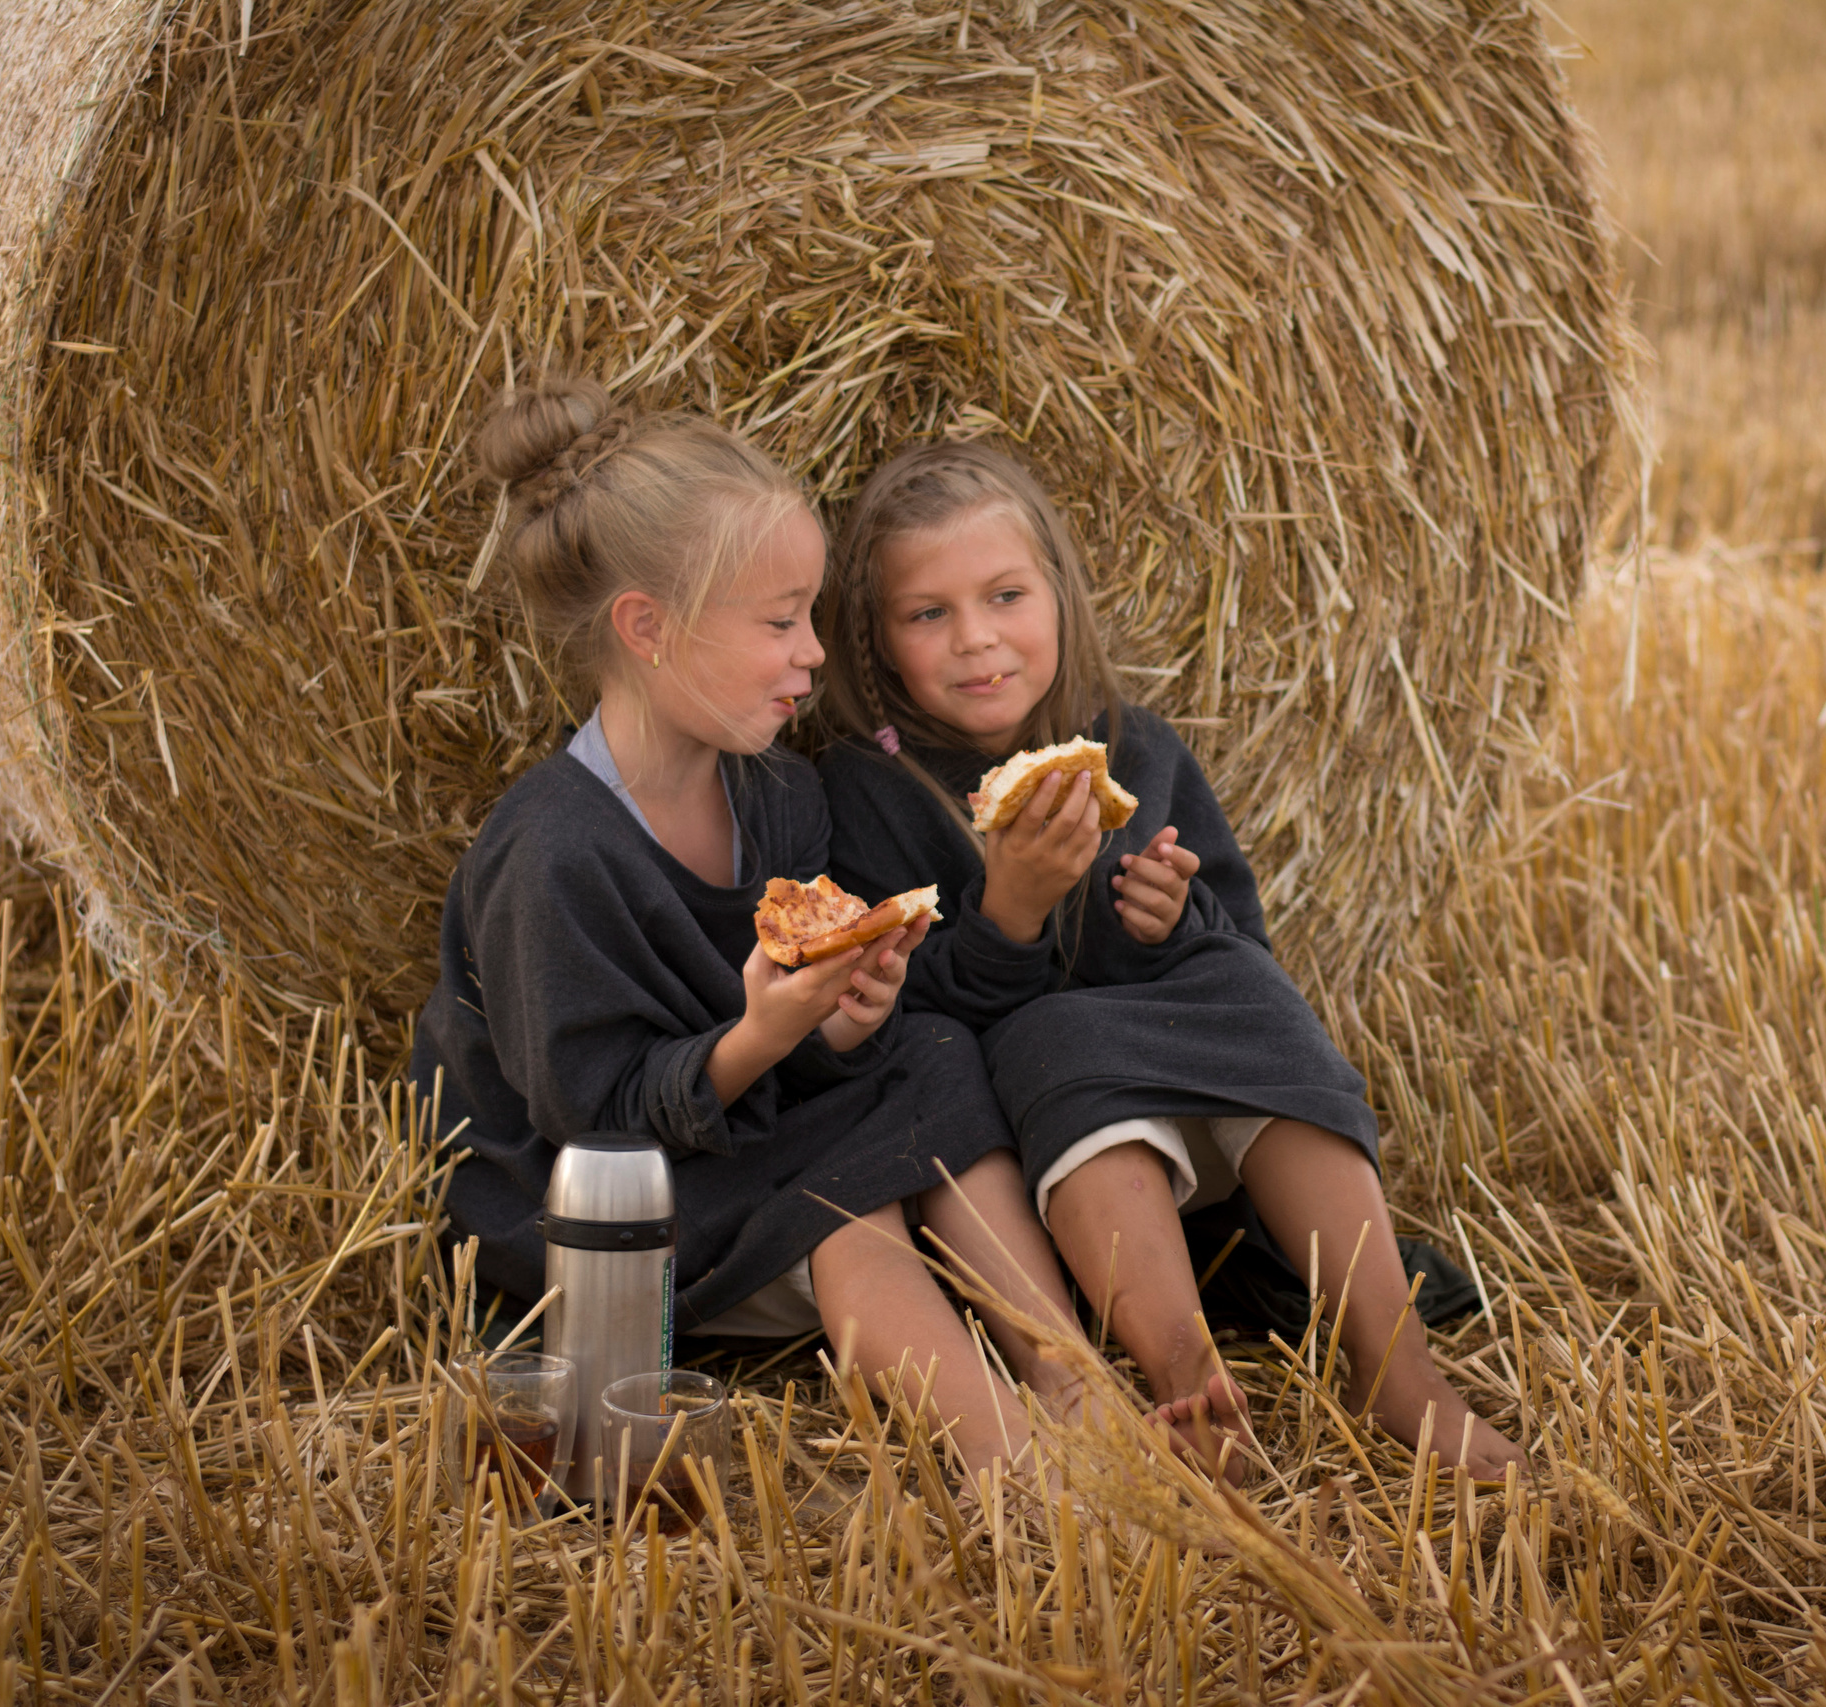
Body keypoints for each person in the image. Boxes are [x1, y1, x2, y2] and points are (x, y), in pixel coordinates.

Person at [411, 378, 1088, 1488]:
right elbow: (596, 1129)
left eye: (811, 616)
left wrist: (843, 1019)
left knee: (929, 1052)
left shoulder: (776, 799)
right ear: (648, 628)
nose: (815, 654)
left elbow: (811, 1042)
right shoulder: (553, 855)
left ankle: (1074, 1386)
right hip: (595, 1224)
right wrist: (763, 1037)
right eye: (780, 623)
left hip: (734, 1135)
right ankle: (1010, 1463)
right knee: (843, 1203)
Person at [812, 440, 1525, 1480]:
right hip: (1042, 1158)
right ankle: (1185, 1375)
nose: (977, 640)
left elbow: (1237, 942)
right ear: (874, 642)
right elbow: (901, 1039)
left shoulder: (1133, 749)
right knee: (1052, 1036)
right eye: (928, 615)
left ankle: (1394, 1359)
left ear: (1058, 594)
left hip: (1195, 1131)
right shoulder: (867, 792)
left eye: (1006, 595)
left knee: (1244, 987)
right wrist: (1007, 915)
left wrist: (1171, 922)